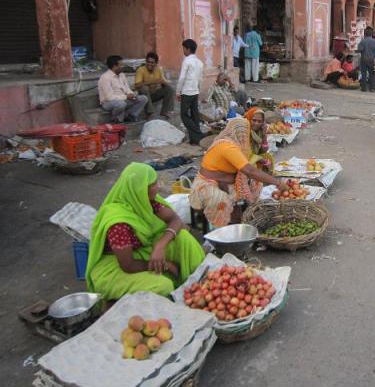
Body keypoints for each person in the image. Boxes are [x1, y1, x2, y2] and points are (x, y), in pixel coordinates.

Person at [85, 163, 205, 300]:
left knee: (183, 237)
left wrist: (160, 246)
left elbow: (175, 220)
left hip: (141, 252)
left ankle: (198, 282)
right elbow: (128, 265)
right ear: (139, 189)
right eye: (153, 184)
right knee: (163, 286)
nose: (158, 187)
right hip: (115, 267)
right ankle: (113, 303)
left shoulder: (146, 202)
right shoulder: (118, 223)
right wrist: (166, 265)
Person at [189, 118, 287, 227]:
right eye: (242, 133)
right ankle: (221, 228)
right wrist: (277, 182)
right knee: (220, 199)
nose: (243, 136)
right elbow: (249, 170)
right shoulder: (227, 146)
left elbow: (250, 163)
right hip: (206, 183)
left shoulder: (237, 145)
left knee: (256, 184)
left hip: (227, 181)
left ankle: (245, 213)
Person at [98, 55, 148, 123]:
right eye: (121, 65)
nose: (123, 67)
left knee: (143, 98)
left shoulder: (122, 75)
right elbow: (109, 97)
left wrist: (132, 95)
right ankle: (116, 119)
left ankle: (130, 116)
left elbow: (127, 89)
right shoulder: (105, 77)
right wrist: (126, 97)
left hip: (123, 99)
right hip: (108, 102)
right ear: (114, 66)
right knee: (121, 104)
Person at [177, 39, 204, 145]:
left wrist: (178, 91)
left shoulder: (187, 61)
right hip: (195, 91)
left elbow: (182, 77)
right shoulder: (200, 62)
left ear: (188, 49)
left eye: (184, 48)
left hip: (187, 91)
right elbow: (200, 79)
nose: (183, 50)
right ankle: (195, 140)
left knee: (184, 115)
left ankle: (198, 135)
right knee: (194, 115)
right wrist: (198, 90)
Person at [135, 52, 175, 119]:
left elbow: (163, 81)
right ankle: (150, 113)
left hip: (154, 94)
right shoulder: (140, 69)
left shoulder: (158, 69)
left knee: (169, 89)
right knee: (144, 88)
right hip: (143, 96)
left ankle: (165, 111)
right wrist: (152, 82)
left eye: (152, 62)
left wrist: (163, 82)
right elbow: (137, 85)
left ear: (156, 63)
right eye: (148, 62)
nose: (149, 64)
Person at [244, 107, 275, 173]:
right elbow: (245, 154)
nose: (256, 124)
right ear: (249, 119)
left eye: (260, 121)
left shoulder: (259, 132)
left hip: (253, 157)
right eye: (254, 120)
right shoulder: (244, 131)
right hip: (242, 159)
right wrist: (262, 160)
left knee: (268, 157)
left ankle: (263, 179)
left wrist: (264, 134)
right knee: (253, 165)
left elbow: (263, 150)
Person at [356, 27, 375, 92]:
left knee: (363, 74)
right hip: (371, 60)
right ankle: (371, 88)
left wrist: (357, 50)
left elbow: (359, 50)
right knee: (372, 74)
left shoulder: (362, 41)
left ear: (365, 34)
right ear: (371, 34)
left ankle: (363, 88)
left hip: (363, 59)